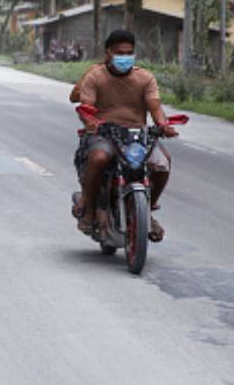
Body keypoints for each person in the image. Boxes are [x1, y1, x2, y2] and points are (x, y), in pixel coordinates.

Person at [72, 30, 177, 242]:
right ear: (108, 52)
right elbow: (86, 107)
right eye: (120, 52)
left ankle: (147, 211)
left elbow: (155, 107)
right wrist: (91, 122)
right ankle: (90, 209)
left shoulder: (145, 78)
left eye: (129, 53)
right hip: (105, 134)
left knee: (162, 163)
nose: (125, 57)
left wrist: (163, 125)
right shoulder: (95, 76)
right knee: (98, 158)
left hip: (137, 136)